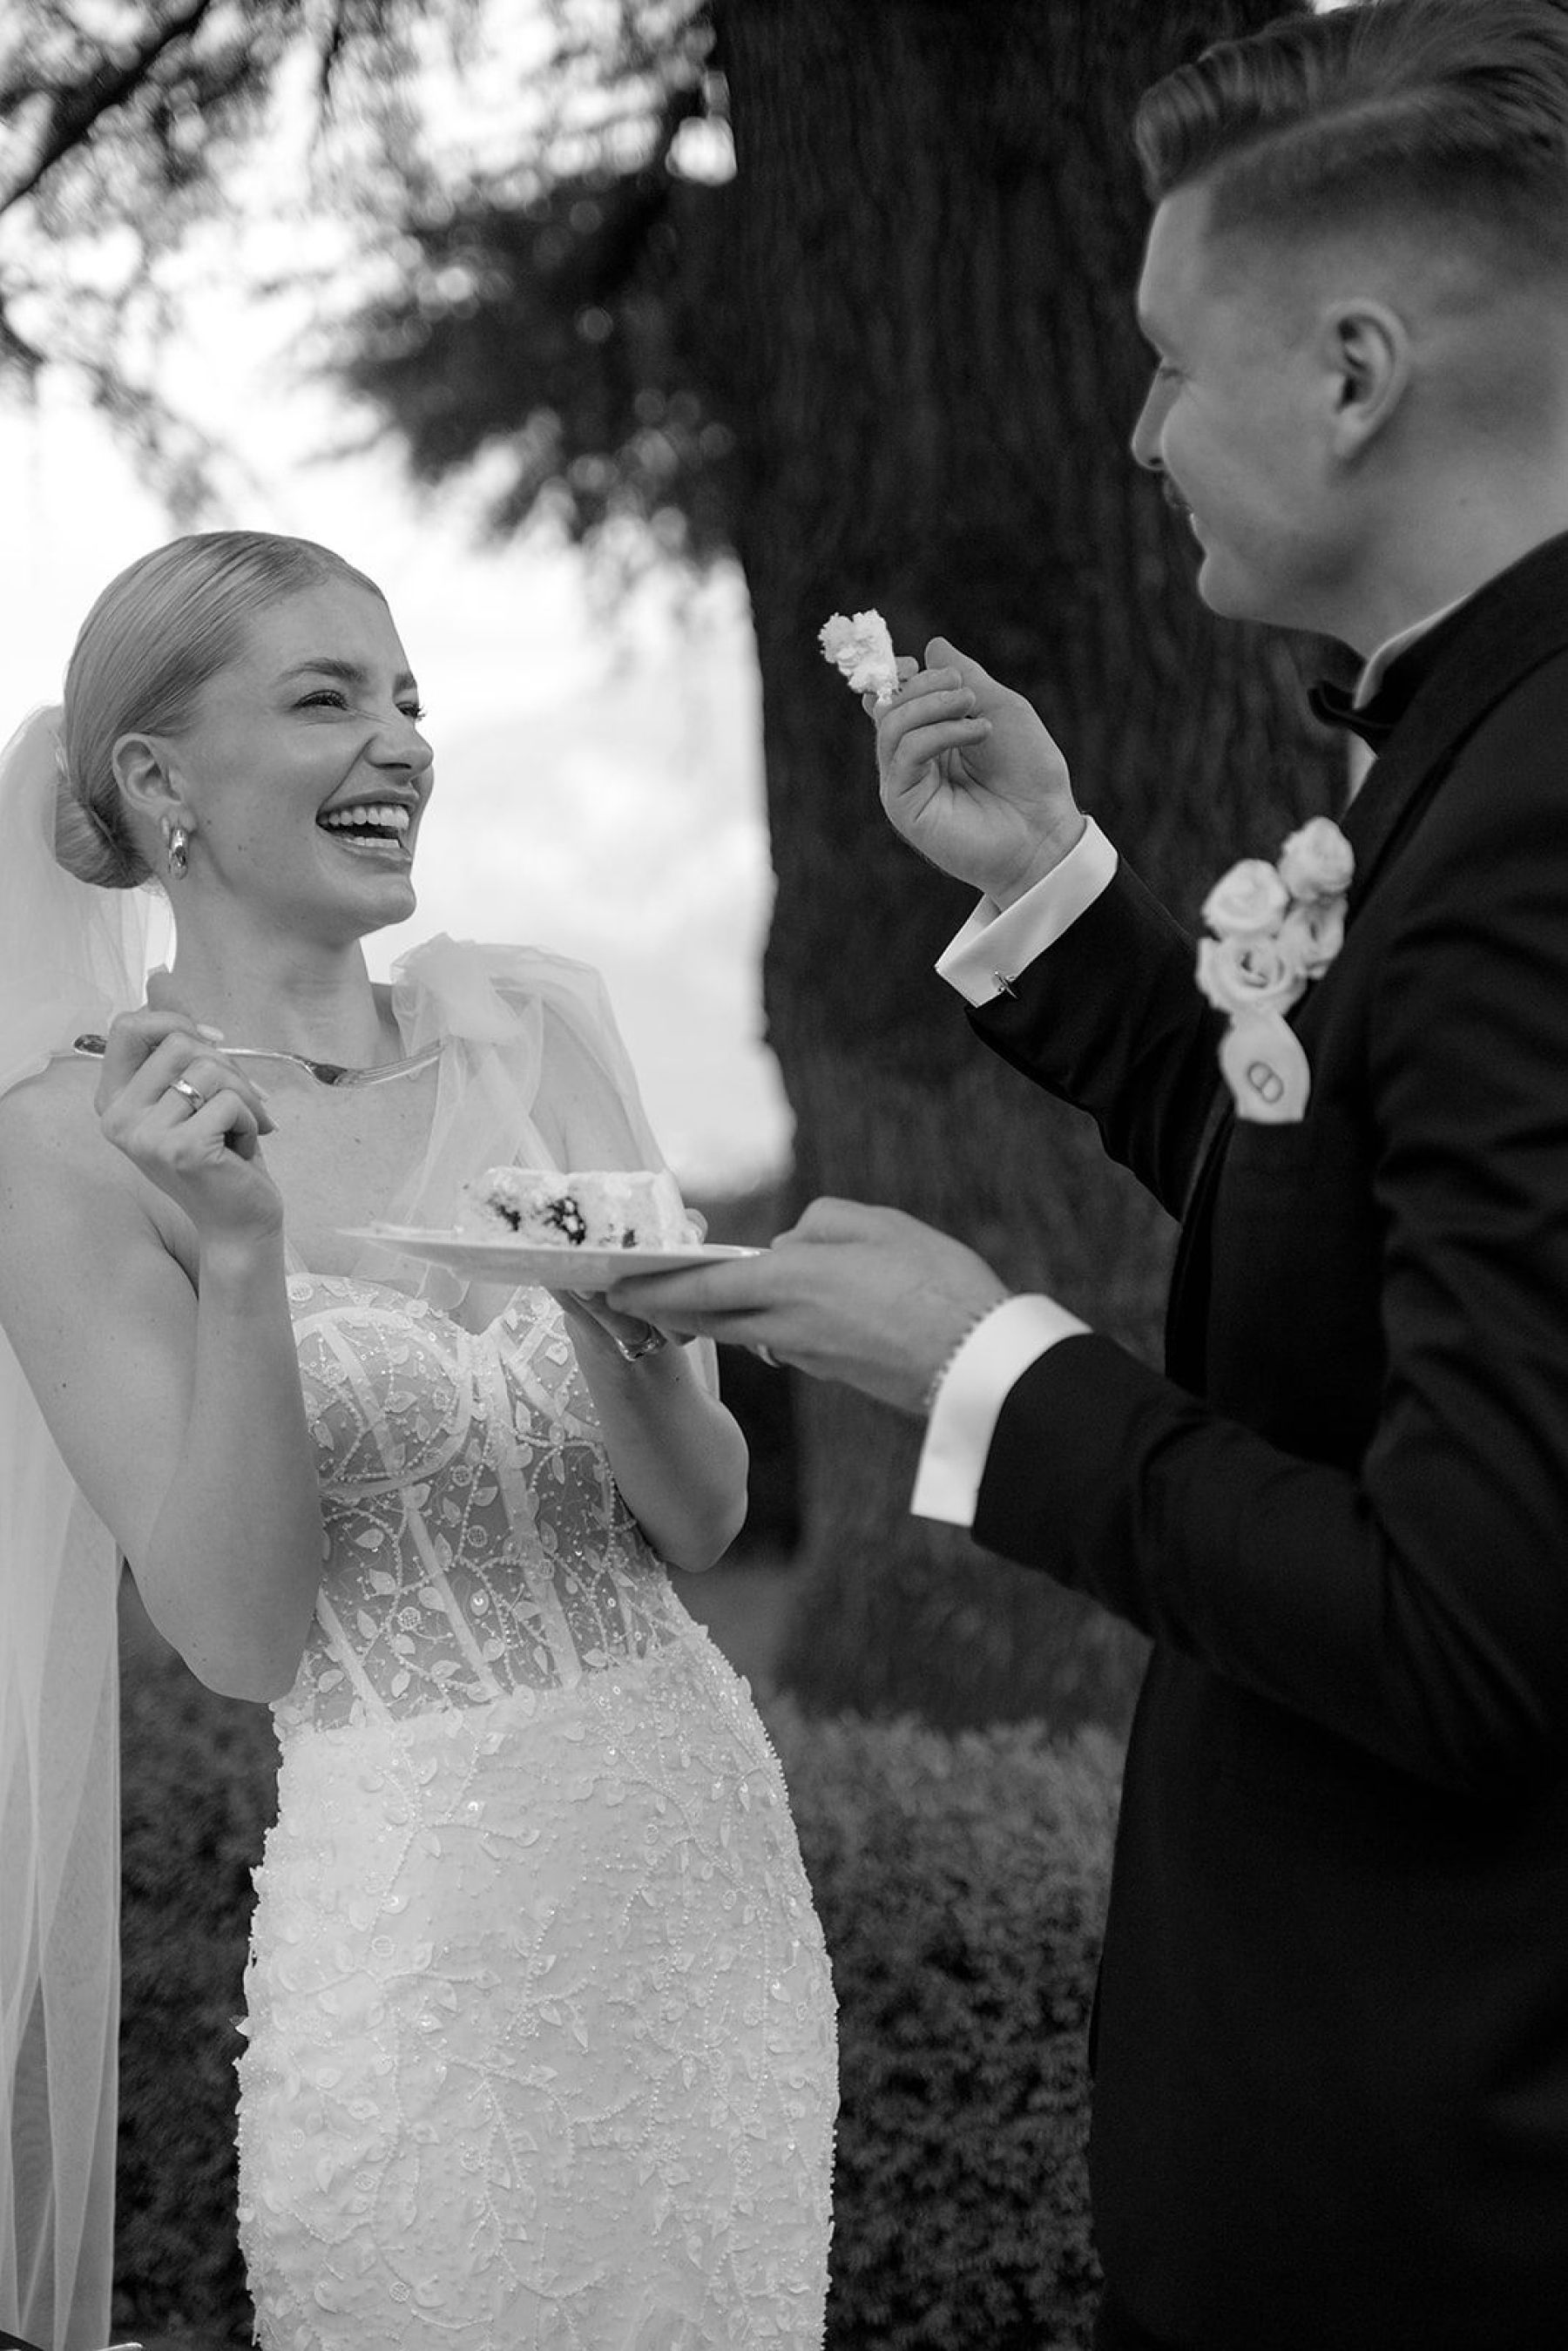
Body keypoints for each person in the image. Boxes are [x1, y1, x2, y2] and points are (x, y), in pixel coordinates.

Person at [611, 4, 1568, 2345]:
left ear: (1352, 374)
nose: (1137, 428)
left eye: (1163, 362)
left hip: (1444, 2195)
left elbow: (1475, 1633)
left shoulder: (1540, 817)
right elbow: (1356, 1208)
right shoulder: (1483, 745)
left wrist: (990, 1373)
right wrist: (1050, 888)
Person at [0, 530, 835, 2351]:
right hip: (419, 1926)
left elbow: (705, 1517)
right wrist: (236, 1258)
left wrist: (622, 1332)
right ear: (159, 785)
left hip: (697, 1880)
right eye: (326, 701)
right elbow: (239, 1637)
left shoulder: (535, 1030)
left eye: (407, 700)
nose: (400, 745)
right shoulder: (70, 1148)